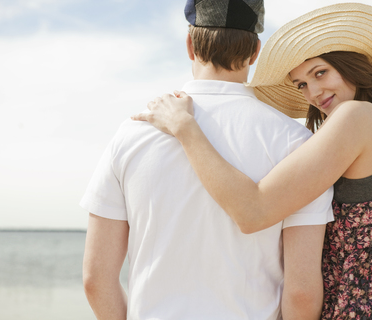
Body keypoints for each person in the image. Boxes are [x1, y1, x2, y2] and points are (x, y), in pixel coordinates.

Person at [132, 3, 372, 319]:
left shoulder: (357, 116)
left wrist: (185, 128)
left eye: (320, 73)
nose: (314, 93)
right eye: (302, 84)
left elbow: (253, 211)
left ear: (351, 65)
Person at [81, 0, 334, 319]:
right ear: (255, 52)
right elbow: (301, 292)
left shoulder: (132, 134)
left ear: (190, 44)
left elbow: (95, 279)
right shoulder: (297, 142)